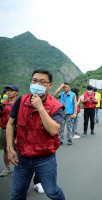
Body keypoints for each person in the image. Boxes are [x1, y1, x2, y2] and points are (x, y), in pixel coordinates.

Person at [6, 69, 65, 199]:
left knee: (52, 192)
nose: (37, 84)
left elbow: (54, 130)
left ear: (50, 85)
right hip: (22, 157)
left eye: (42, 82)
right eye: (34, 80)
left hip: (45, 159)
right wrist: (9, 148)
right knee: (17, 194)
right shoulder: (21, 100)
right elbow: (10, 124)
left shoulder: (56, 106)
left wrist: (40, 107)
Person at [0, 85, 19, 177]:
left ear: (17, 92)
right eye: (7, 90)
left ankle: (19, 169)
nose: (8, 92)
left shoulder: (19, 103)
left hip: (16, 130)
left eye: (11, 90)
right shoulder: (3, 103)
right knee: (6, 149)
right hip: (4, 128)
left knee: (18, 149)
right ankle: (7, 167)